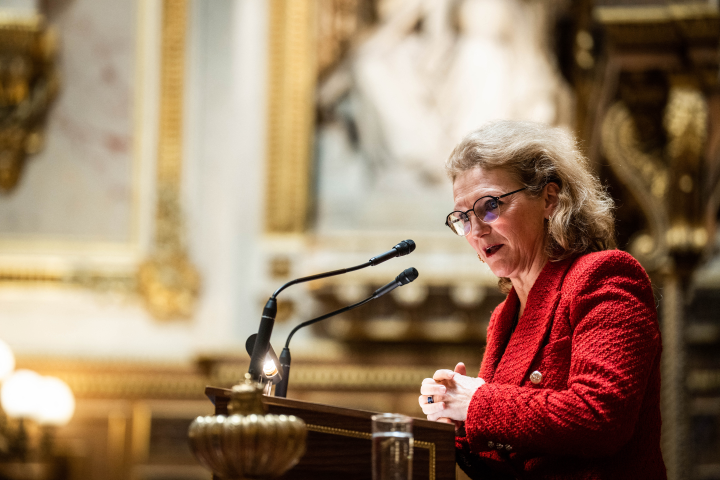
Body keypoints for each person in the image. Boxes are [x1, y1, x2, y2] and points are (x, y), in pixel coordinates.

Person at [419, 121, 665, 479]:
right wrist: (453, 422)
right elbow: (513, 455)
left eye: (489, 206)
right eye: (463, 217)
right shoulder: (505, 315)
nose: (477, 230)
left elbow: (601, 417)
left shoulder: (606, 275)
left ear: (549, 198)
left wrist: (475, 402)